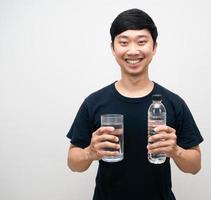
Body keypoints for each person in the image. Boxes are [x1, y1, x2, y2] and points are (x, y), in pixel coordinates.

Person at [66, 8, 203, 200]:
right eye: (123, 42)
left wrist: (175, 151)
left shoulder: (173, 103)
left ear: (154, 47)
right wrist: (90, 152)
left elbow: (195, 166)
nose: (132, 51)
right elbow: (73, 162)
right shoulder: (94, 102)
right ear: (113, 48)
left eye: (141, 42)